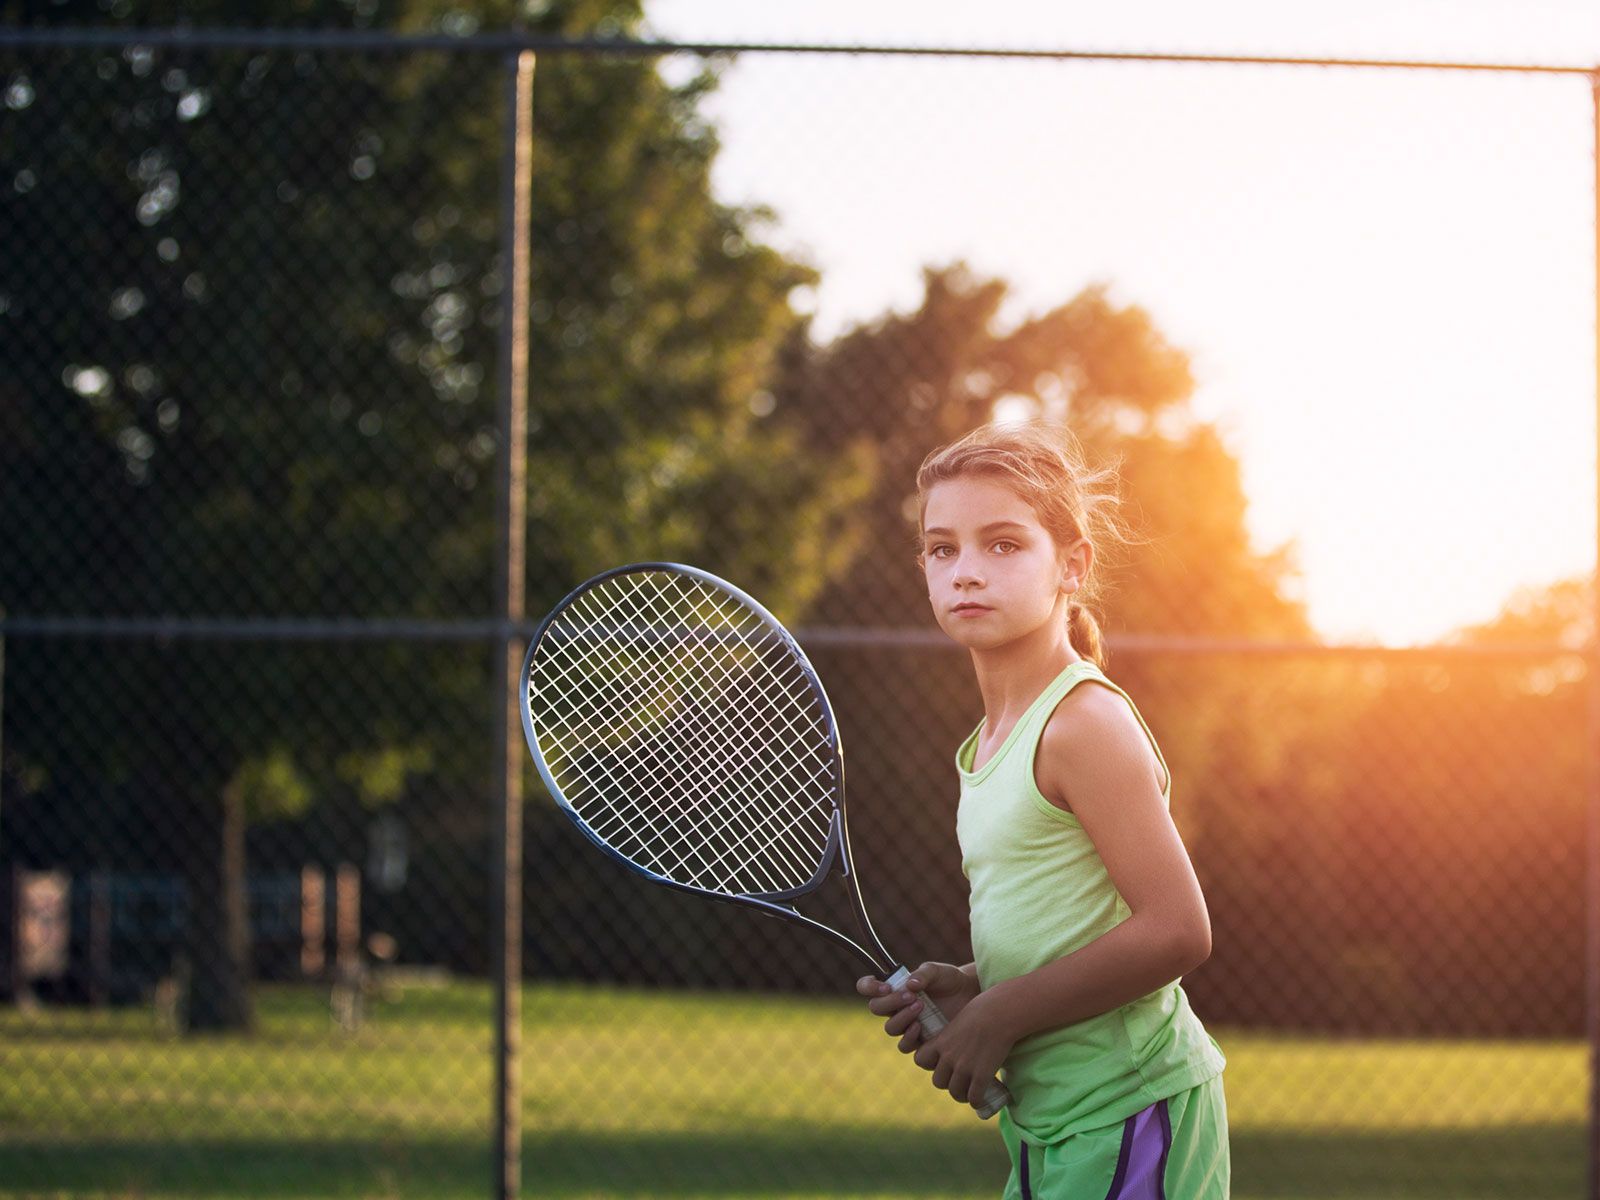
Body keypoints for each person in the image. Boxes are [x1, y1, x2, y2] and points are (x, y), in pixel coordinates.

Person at [856, 420, 1230, 1199]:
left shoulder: (1082, 723)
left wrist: (1004, 1015)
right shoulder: (989, 742)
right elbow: (1070, 921)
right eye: (941, 548)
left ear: (1072, 565)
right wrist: (975, 986)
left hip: (1131, 1107)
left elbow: (1177, 927)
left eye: (1002, 545)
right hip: (1050, 1121)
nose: (965, 572)